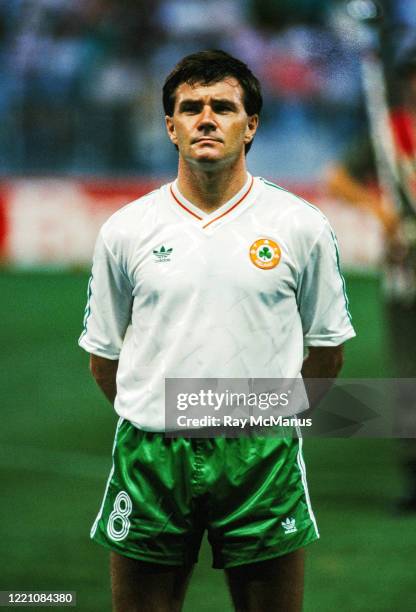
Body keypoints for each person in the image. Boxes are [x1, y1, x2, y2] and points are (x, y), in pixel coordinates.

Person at [79, 50, 355, 612]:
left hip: (261, 454)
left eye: (223, 107)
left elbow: (326, 350)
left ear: (250, 125)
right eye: (191, 107)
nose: (206, 118)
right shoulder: (125, 230)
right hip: (151, 456)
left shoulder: (301, 226)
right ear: (171, 127)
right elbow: (105, 358)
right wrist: (159, 415)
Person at [326, 46, 416, 512]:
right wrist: (380, 209)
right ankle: (413, 472)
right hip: (407, 262)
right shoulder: (389, 134)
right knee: (408, 368)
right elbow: (338, 178)